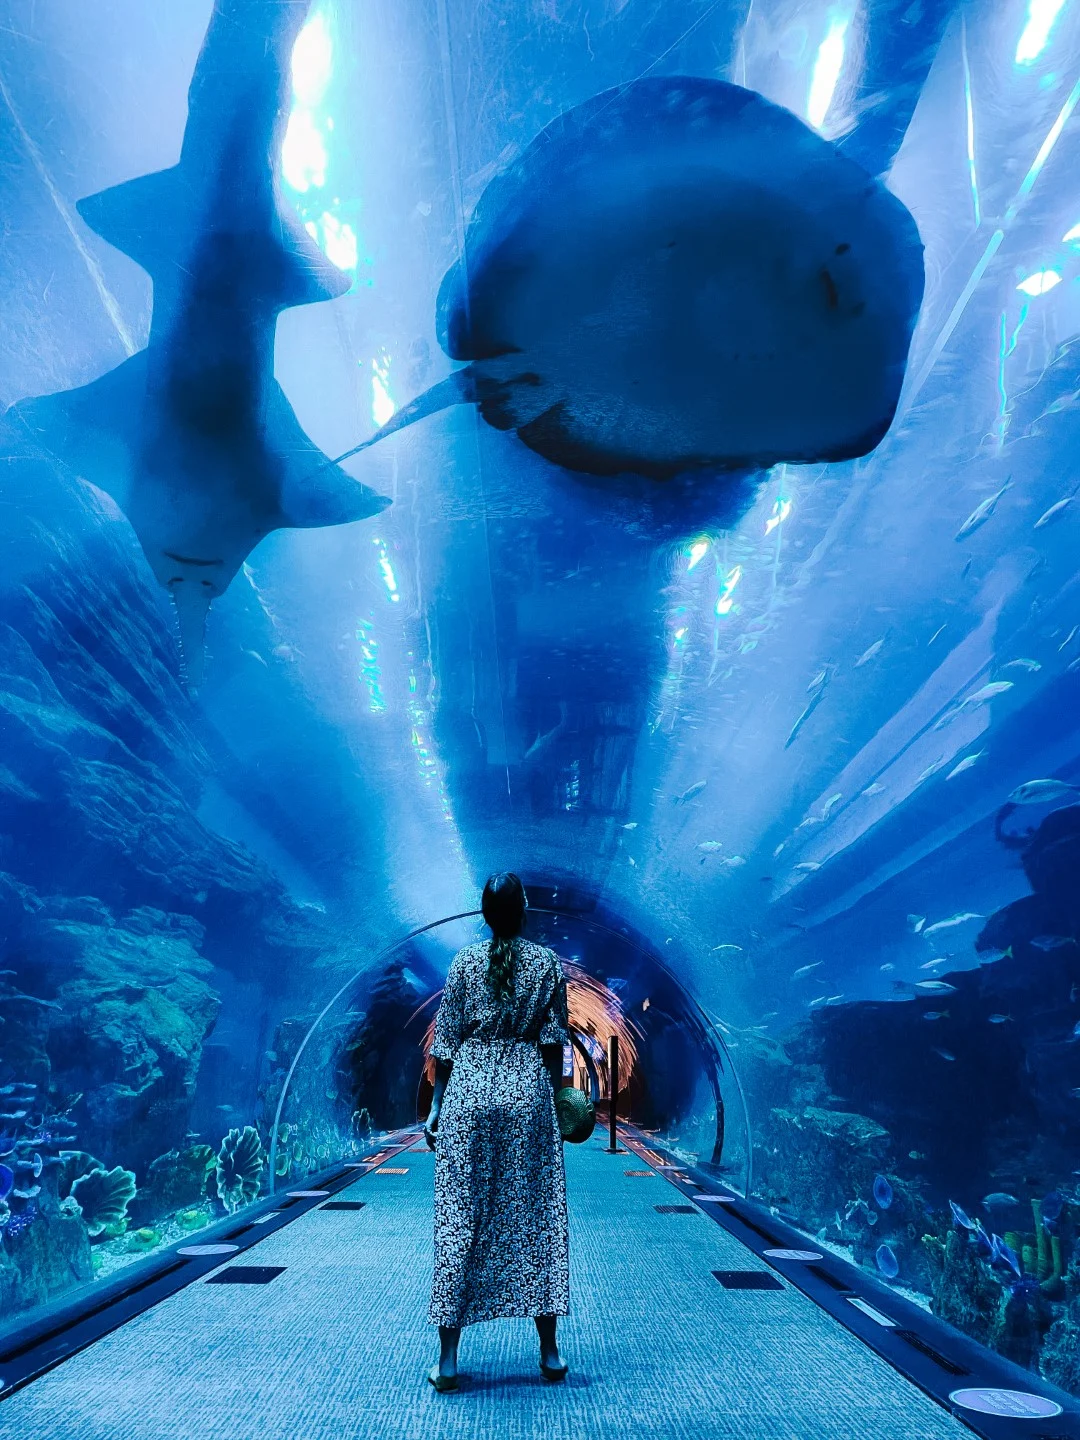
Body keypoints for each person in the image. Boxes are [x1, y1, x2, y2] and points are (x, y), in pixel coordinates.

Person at [424, 872, 571, 1392]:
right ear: (524, 910)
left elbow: (445, 1041)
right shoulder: (548, 964)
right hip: (526, 1097)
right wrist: (555, 1101)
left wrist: (437, 1106)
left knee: (461, 1217)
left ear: (484, 914)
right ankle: (549, 1351)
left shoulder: (464, 963)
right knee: (535, 1213)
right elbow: (554, 1042)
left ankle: (448, 1359)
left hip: (470, 1094)